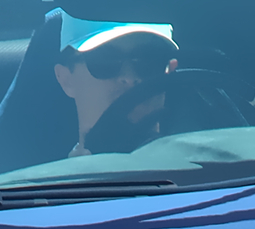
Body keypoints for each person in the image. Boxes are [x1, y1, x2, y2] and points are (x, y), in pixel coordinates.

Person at [53, 17, 179, 157]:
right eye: (105, 60)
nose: (129, 78)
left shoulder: (204, 166)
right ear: (66, 79)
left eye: (149, 60)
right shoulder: (40, 176)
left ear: (169, 73)